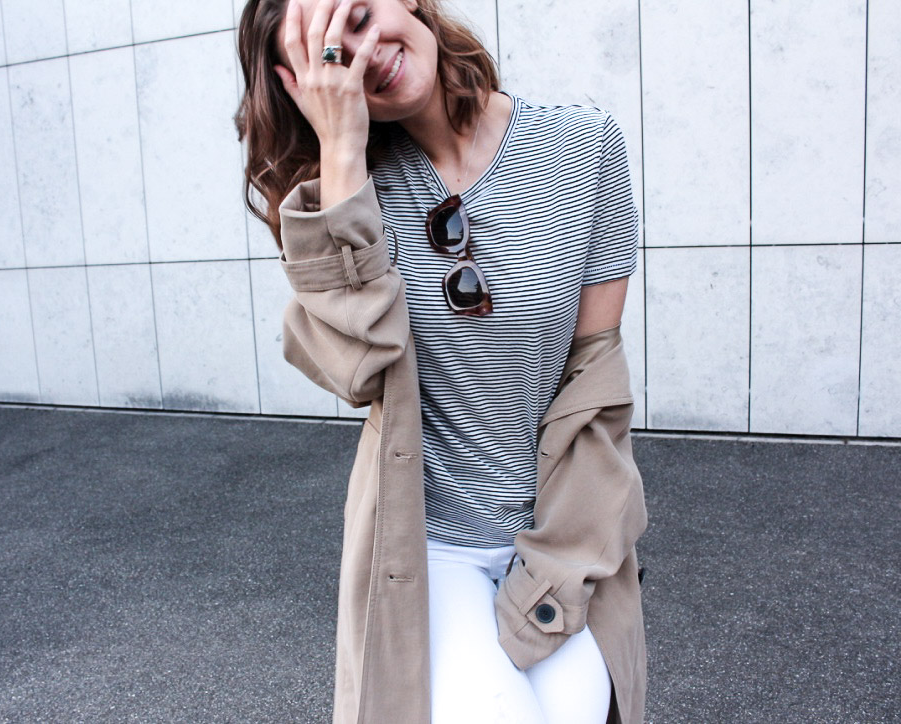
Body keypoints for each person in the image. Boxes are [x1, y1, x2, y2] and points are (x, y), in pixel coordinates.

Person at [234, 0, 648, 722]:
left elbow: (594, 387)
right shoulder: (344, 198)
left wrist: (560, 563)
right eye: (331, 58)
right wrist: (341, 154)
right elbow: (359, 368)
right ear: (302, 88)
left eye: (359, 18)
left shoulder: (585, 147)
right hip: (428, 545)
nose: (364, 55)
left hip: (557, 530)